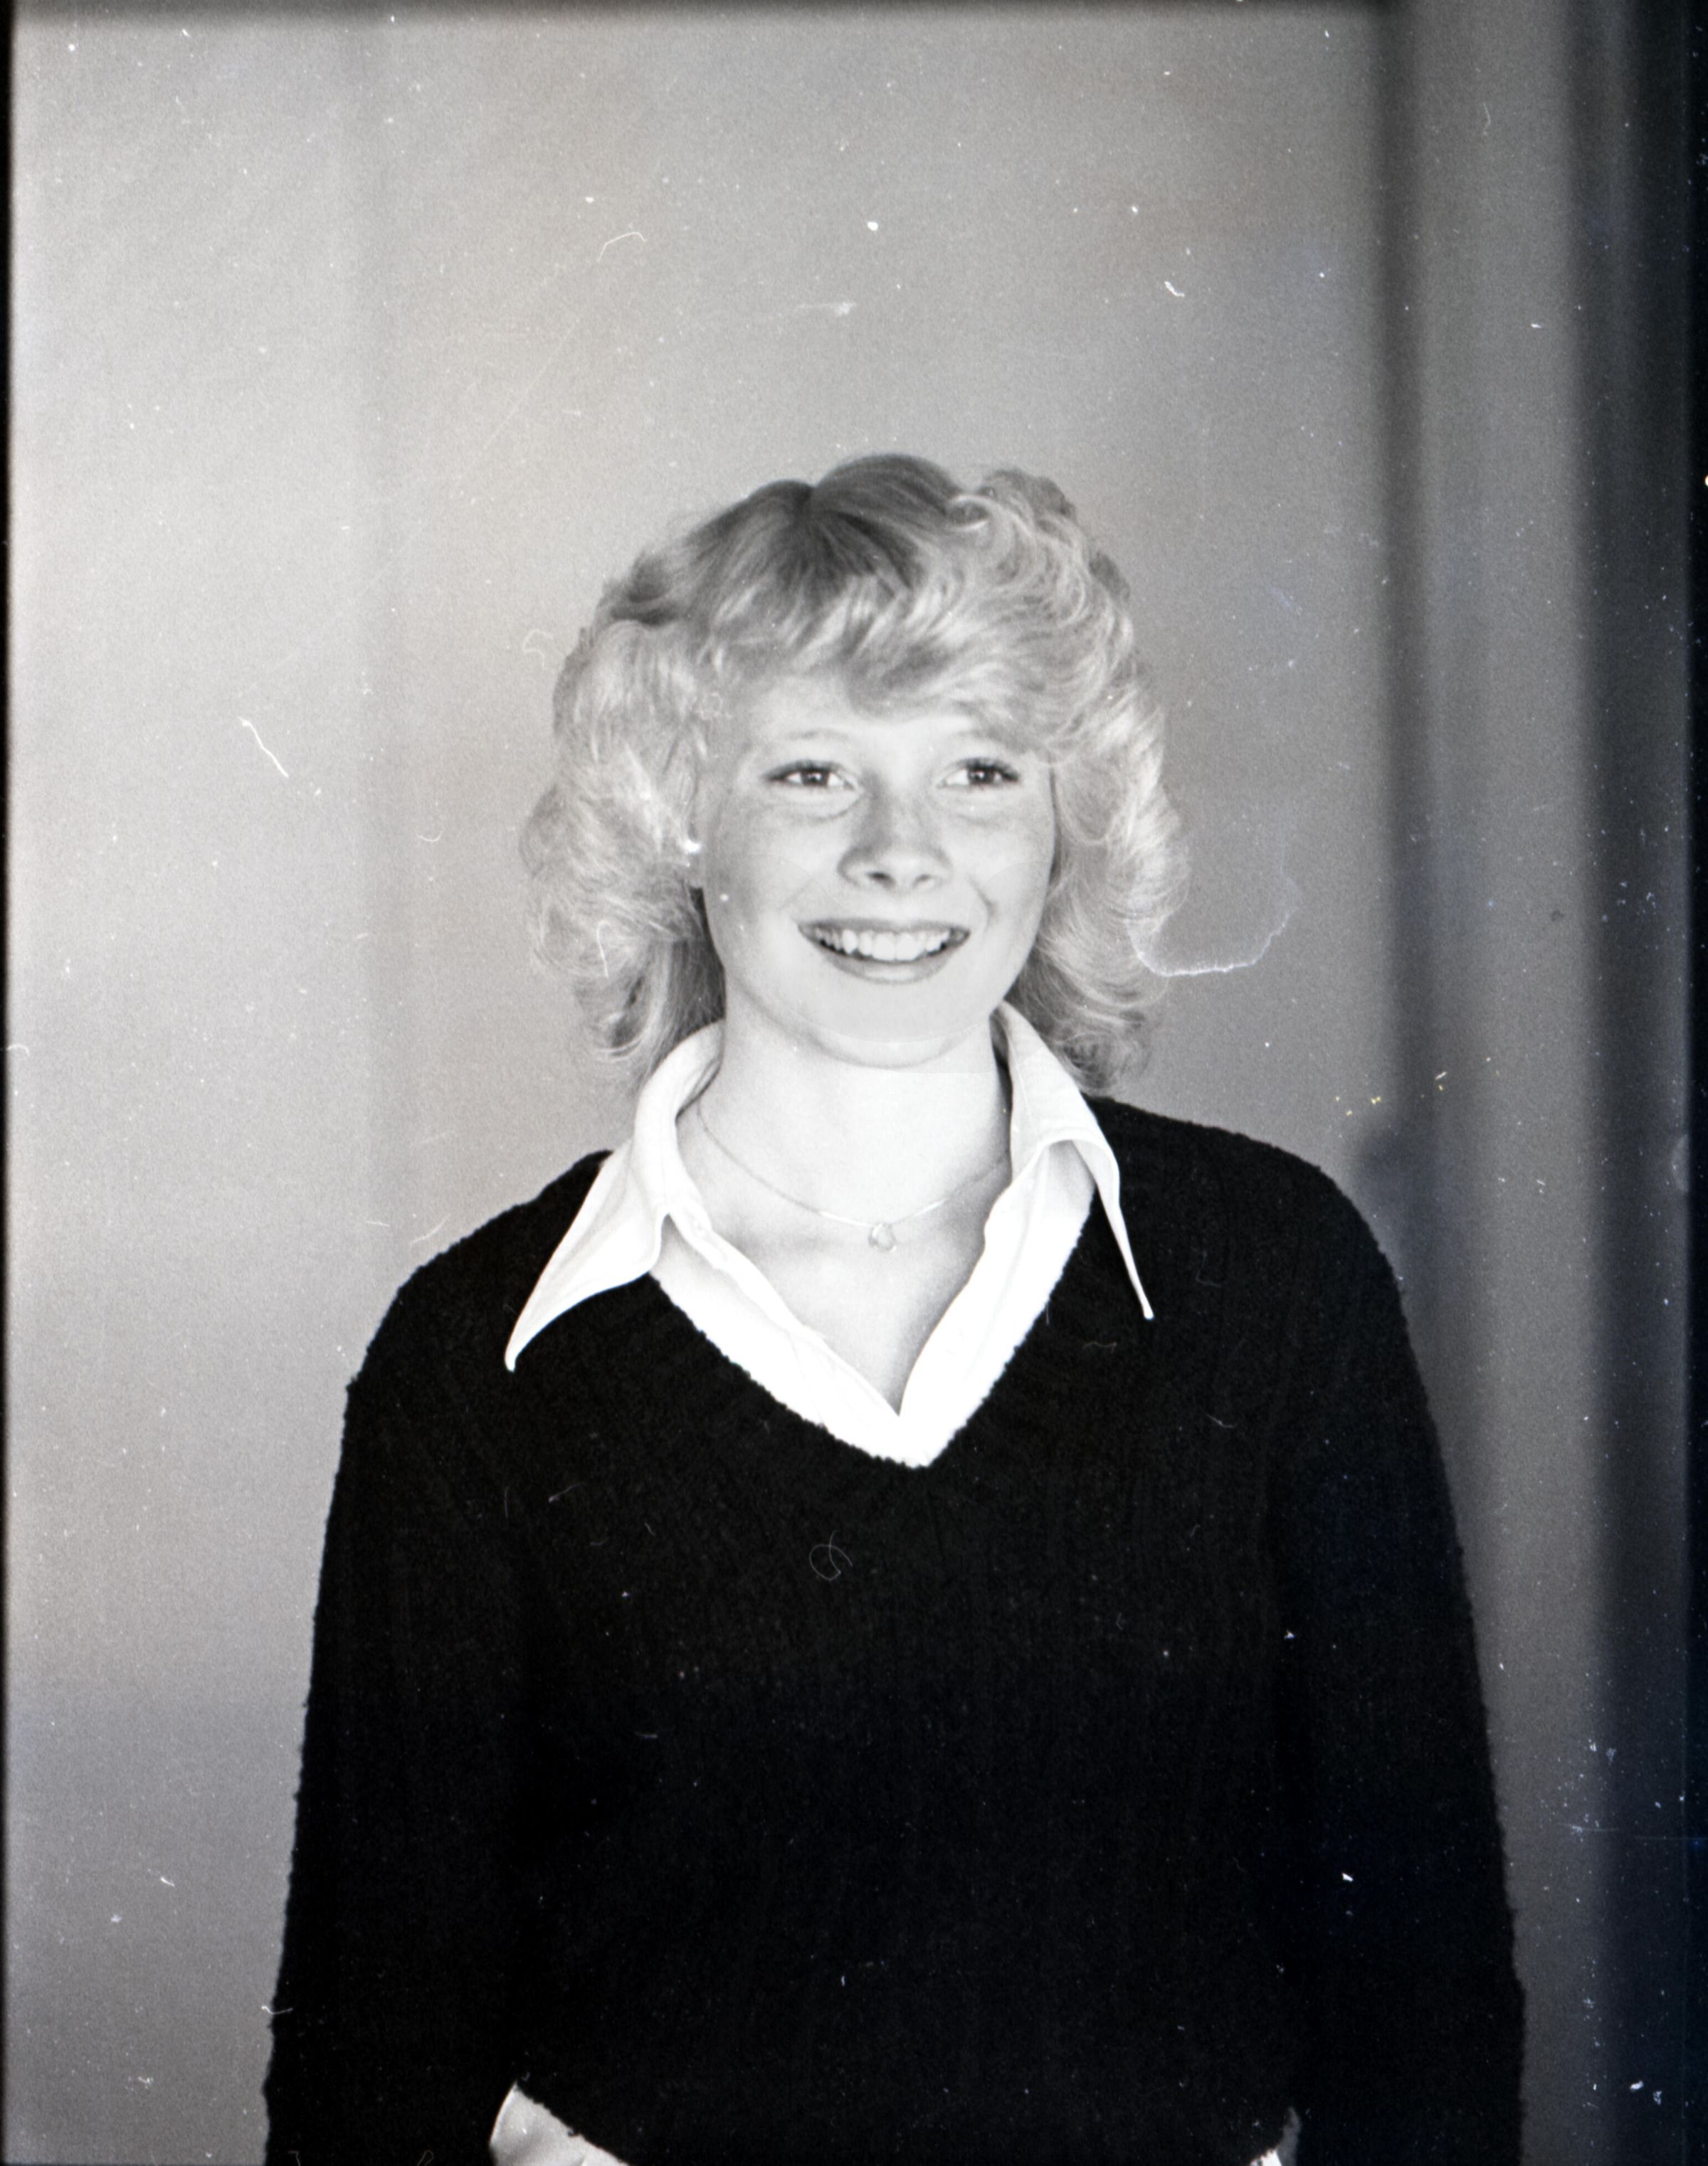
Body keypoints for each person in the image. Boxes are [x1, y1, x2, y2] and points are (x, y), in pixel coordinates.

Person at [264, 457, 1523, 2166]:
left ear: (1065, 826)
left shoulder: (1276, 1280)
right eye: (812, 772)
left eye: (980, 771)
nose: (901, 855)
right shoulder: (481, 1361)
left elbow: (1426, 2003)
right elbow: (369, 2059)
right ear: (676, 817)